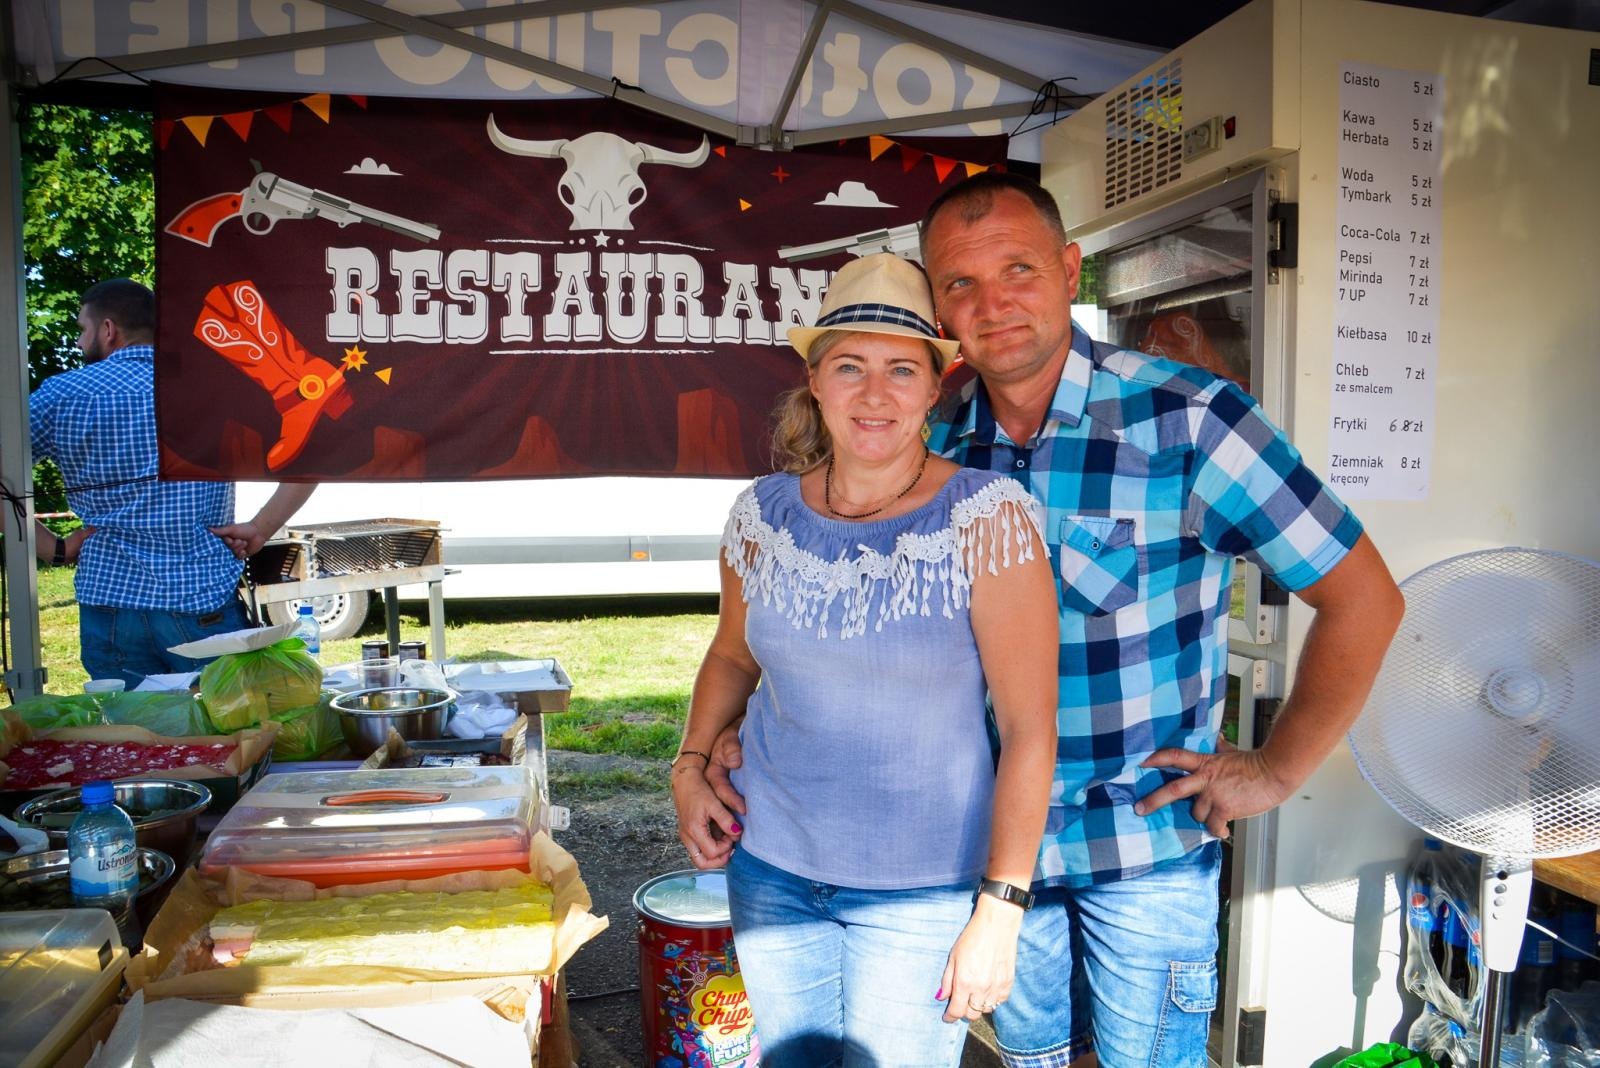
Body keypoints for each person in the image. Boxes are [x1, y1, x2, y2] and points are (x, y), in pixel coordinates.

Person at [710, 174, 1407, 1067]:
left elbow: (1364, 599)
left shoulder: (1188, 423)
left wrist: (1274, 770)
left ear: (1070, 270)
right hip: (989, 855)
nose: (991, 304)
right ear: (938, 309)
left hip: (1139, 847)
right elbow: (819, 617)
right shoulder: (932, 430)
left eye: (1018, 270)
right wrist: (731, 736)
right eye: (959, 284)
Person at [670, 253, 1059, 1067]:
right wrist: (690, 762)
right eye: (849, 366)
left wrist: (1001, 910)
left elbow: (1030, 729)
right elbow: (732, 656)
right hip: (772, 866)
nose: (874, 394)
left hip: (922, 893)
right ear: (815, 380)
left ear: (934, 385)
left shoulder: (987, 516)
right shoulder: (761, 513)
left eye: (900, 370)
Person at [30, 278, 315, 686]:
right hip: (200, 599)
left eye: (81, 330)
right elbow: (314, 453)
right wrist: (260, 528)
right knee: (224, 731)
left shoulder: (62, 394)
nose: (78, 342)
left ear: (108, 330)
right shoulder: (213, 390)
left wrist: (51, 548)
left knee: (132, 738)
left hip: (109, 603)